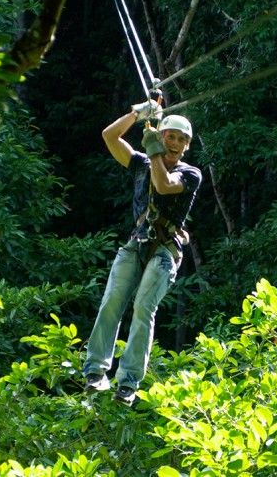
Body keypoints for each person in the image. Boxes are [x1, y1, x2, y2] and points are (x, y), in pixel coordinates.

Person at [82, 99, 202, 406]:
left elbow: (163, 185)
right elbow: (110, 136)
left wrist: (153, 151)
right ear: (161, 136)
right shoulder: (141, 163)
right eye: (170, 136)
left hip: (164, 251)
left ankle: (128, 382)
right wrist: (138, 114)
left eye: (181, 140)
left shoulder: (190, 174)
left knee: (143, 310)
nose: (174, 143)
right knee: (112, 302)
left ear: (186, 146)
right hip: (137, 243)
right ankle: (96, 372)